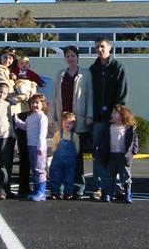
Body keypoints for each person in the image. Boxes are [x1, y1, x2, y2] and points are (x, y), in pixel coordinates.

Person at [49, 45, 93, 199]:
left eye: (73, 55)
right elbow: (54, 98)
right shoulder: (60, 74)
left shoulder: (86, 74)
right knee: (61, 157)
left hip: (78, 121)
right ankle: (60, 189)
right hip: (63, 123)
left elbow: (90, 97)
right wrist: (52, 118)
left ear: (77, 57)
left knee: (77, 157)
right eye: (67, 56)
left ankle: (78, 189)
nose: (70, 58)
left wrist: (89, 115)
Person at [89, 37, 128, 201]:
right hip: (98, 119)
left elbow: (122, 93)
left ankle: (117, 187)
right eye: (97, 47)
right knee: (98, 154)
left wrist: (117, 114)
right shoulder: (93, 69)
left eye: (102, 46)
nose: (99, 49)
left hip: (114, 120)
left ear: (109, 48)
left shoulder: (117, 67)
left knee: (115, 155)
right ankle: (99, 188)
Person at [94, 104, 139, 204]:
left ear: (122, 115)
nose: (112, 115)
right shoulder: (108, 127)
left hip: (123, 157)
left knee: (126, 177)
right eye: (113, 112)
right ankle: (108, 194)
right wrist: (98, 149)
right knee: (109, 177)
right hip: (111, 156)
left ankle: (127, 193)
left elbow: (134, 140)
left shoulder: (128, 128)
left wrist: (134, 151)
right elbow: (100, 139)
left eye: (115, 113)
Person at [13, 93, 48, 201]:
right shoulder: (30, 116)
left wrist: (40, 148)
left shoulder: (42, 117)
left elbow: (42, 134)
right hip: (30, 146)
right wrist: (16, 120)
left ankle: (41, 192)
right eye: (32, 103)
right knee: (34, 168)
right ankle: (36, 190)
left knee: (39, 169)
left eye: (37, 103)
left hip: (38, 148)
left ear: (42, 104)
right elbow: (24, 126)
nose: (34, 105)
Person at [12, 78, 38, 197]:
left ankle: (27, 187)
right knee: (20, 157)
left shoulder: (31, 85)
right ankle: (10, 187)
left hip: (27, 122)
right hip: (12, 120)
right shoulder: (11, 82)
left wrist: (30, 94)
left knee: (28, 158)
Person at [49, 111, 80, 200]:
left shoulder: (74, 136)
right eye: (65, 122)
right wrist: (54, 151)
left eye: (70, 123)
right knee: (55, 176)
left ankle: (68, 193)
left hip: (70, 162)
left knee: (69, 177)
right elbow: (54, 144)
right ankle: (55, 192)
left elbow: (77, 148)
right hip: (57, 161)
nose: (67, 125)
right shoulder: (58, 134)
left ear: (73, 125)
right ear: (62, 123)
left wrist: (74, 153)